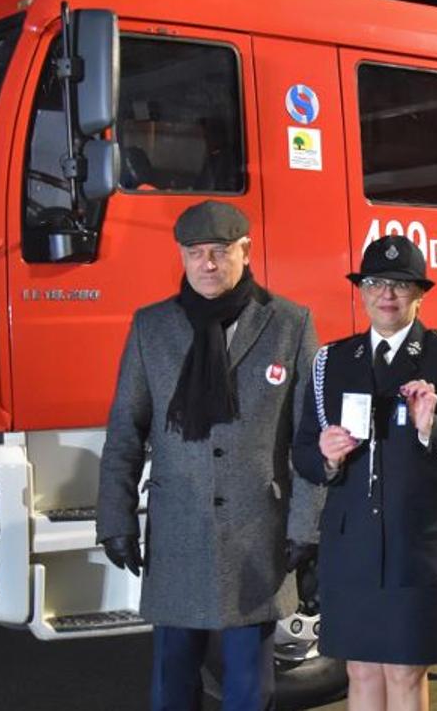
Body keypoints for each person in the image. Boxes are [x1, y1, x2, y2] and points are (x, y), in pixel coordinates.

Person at [96, 199, 322, 711]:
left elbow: (310, 435)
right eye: (195, 252)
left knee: (249, 689)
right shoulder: (152, 327)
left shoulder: (289, 324)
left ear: (246, 250)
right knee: (172, 684)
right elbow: (126, 429)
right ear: (182, 256)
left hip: (256, 536)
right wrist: (115, 519)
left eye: (220, 251)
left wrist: (306, 527)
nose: (208, 264)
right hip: (178, 533)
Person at [292, 235, 437, 711]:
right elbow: (303, 453)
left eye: (401, 285)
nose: (386, 294)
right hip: (352, 547)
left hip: (416, 546)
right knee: (360, 670)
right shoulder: (332, 362)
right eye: (375, 283)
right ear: (361, 292)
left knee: (405, 672)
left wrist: (433, 428)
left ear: (420, 294)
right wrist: (326, 456)